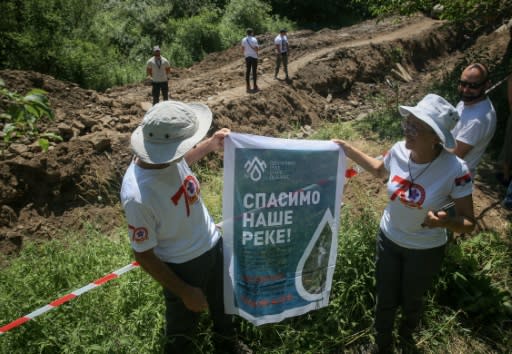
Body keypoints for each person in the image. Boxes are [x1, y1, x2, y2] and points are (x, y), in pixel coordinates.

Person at [333, 94, 475, 353]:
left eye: (415, 127)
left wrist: (446, 222)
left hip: (424, 251)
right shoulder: (399, 150)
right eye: (407, 123)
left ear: (436, 138)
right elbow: (378, 170)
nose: (407, 130)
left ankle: (408, 335)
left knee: (412, 299)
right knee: (385, 298)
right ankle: (382, 343)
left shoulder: (456, 170)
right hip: (388, 239)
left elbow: (468, 223)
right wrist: (347, 148)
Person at [120, 100, 251, 354]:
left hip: (213, 244)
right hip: (183, 267)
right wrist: (185, 291)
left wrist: (210, 144)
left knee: (223, 303)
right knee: (182, 331)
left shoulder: (164, 158)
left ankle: (226, 343)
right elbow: (143, 255)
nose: (186, 149)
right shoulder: (138, 196)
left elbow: (182, 162)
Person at [451, 63, 497, 176]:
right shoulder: (467, 101)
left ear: (487, 85)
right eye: (463, 84)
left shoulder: (478, 119)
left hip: (453, 177)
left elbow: (454, 155)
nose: (466, 89)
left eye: (473, 86)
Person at [241, 28, 259, 93]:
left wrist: (245, 54)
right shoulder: (254, 39)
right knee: (254, 71)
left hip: (247, 57)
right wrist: (257, 54)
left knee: (248, 71)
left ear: (246, 33)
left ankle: (248, 86)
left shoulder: (243, 39)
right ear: (251, 33)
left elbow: (242, 48)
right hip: (254, 57)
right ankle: (255, 86)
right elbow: (257, 48)